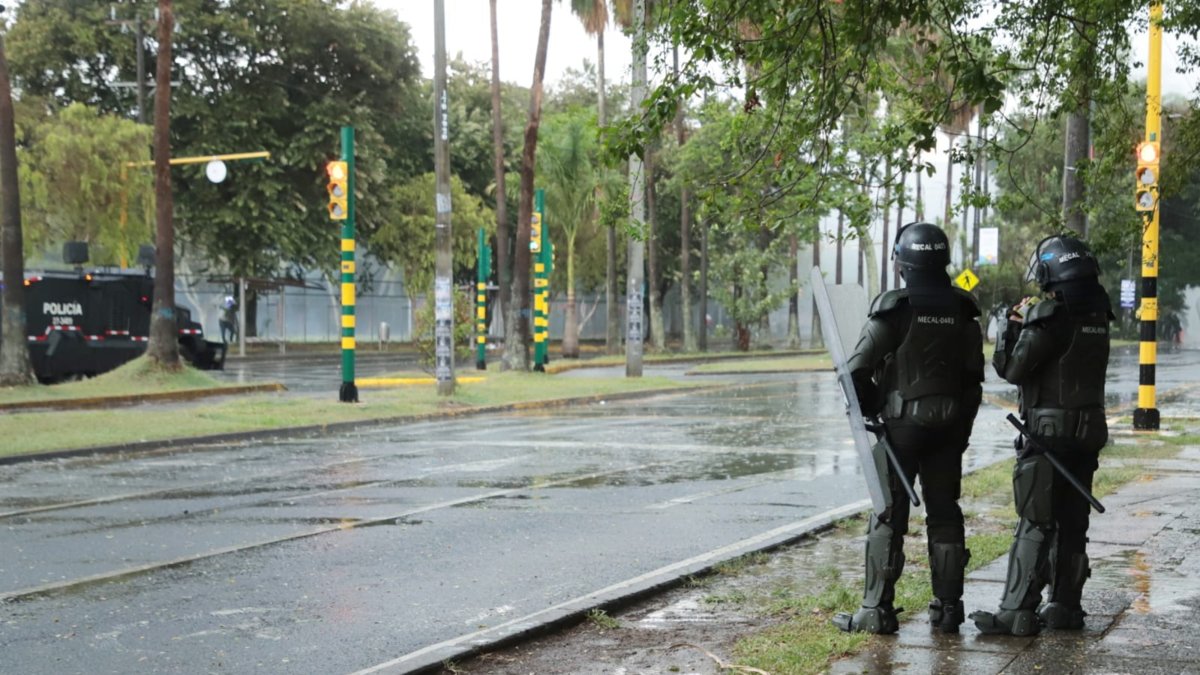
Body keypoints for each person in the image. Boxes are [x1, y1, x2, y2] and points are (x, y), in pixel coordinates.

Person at [833, 222, 985, 635]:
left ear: (903, 262)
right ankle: (950, 609)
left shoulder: (894, 309)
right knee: (946, 516)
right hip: (950, 431)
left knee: (888, 516)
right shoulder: (963, 309)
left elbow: (854, 371)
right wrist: (962, 429)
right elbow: (974, 380)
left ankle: (875, 611)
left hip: (900, 430)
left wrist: (871, 408)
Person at [970, 234, 1113, 636]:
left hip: (1048, 435)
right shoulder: (1099, 314)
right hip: (1088, 431)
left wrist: (1010, 326)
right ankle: (1065, 606)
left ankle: (1017, 610)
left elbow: (1011, 369)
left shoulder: (1048, 316)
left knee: (1035, 520)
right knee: (1073, 521)